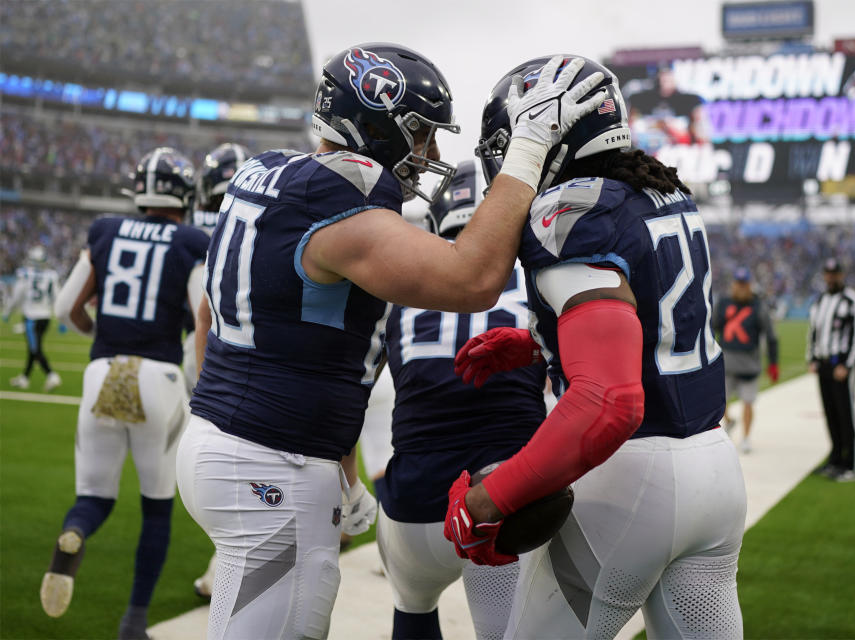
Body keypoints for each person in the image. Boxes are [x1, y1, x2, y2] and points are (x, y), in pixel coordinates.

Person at [175, 44, 604, 640]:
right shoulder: (339, 199)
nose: (428, 154)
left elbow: (282, 341)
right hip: (271, 461)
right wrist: (528, 151)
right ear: (375, 122)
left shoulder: (267, 170)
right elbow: (473, 278)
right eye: (420, 134)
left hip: (223, 441)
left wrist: (345, 475)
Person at [450, 56, 747, 639]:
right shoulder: (660, 191)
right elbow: (649, 321)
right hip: (714, 469)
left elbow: (609, 400)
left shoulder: (570, 211)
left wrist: (489, 501)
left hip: (629, 480)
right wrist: (540, 340)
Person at [376, 160, 547, 640]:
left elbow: (362, 383)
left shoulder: (400, 288)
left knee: (411, 609)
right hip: (501, 499)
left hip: (413, 500)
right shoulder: (535, 281)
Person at [44, 147, 209, 639]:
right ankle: (134, 619)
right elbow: (203, 315)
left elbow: (66, 306)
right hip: (158, 377)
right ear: (184, 194)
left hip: (103, 372)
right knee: (155, 506)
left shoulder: (104, 230)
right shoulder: (191, 240)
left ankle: (74, 534)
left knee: (93, 497)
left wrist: (107, 336)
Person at [184, 142, 254, 599]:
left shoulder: (194, 230)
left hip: (200, 359)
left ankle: (223, 565)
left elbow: (199, 316)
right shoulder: (257, 219)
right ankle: (224, 564)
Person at [806, 258, 855, 482]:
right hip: (823, 364)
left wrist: (848, 364)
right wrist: (811, 357)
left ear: (842, 275)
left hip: (841, 364)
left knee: (846, 414)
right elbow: (813, 331)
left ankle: (852, 465)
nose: (831, 277)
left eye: (835, 273)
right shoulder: (821, 300)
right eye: (828, 273)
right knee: (831, 413)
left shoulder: (851, 300)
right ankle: (835, 459)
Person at [712, 266, 779, 453]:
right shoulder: (724, 303)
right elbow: (713, 327)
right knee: (720, 401)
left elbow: (771, 335)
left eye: (744, 284)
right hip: (726, 362)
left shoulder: (758, 306)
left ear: (749, 285)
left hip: (749, 364)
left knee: (748, 402)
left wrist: (773, 363)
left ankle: (746, 437)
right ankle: (730, 421)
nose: (741, 287)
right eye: (738, 283)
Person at [4, 245, 62, 392]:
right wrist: (62, 319)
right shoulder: (51, 276)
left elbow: (17, 296)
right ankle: (24, 378)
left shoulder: (25, 275)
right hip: (45, 317)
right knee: (32, 348)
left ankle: (51, 375)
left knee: (35, 349)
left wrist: (7, 313)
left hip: (31, 318)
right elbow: (58, 298)